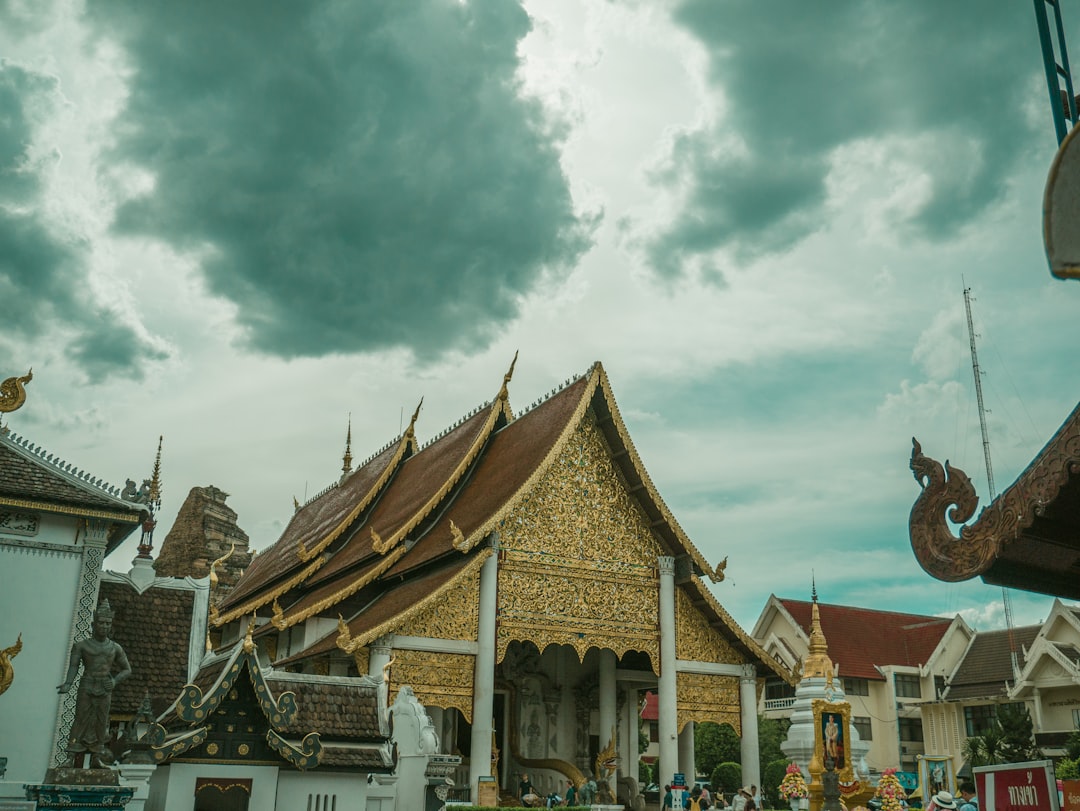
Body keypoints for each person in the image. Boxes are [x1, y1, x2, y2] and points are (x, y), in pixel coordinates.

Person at [57, 600, 131, 765]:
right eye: (101, 623)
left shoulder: (115, 648)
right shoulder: (81, 646)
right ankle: (70, 757)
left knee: (101, 720)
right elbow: (74, 666)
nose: (104, 626)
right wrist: (68, 683)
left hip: (105, 687)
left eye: (108, 623)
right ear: (93, 624)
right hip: (87, 684)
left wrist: (114, 680)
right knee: (80, 719)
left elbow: (127, 669)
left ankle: (97, 757)